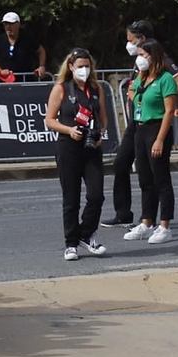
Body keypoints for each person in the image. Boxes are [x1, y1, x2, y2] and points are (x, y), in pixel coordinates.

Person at [44, 48, 108, 261]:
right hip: (68, 147)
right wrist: (69, 130)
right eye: (79, 66)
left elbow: (103, 118)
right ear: (70, 67)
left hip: (91, 148)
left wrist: (101, 134)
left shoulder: (96, 88)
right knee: (71, 199)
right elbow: (50, 120)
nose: (84, 70)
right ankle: (71, 243)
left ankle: (86, 233)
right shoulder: (61, 88)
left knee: (96, 195)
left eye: (87, 66)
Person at [124, 39, 178, 245]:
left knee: (161, 179)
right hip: (140, 128)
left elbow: (169, 111)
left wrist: (160, 139)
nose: (139, 59)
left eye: (143, 55)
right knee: (145, 179)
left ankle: (165, 226)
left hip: (157, 128)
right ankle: (147, 222)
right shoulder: (142, 78)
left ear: (153, 56)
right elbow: (133, 93)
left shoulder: (166, 79)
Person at [0, 11, 47, 79]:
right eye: (5, 24)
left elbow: (41, 51)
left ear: (18, 24)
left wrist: (41, 66)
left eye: (11, 23)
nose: (8, 26)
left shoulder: (27, 38)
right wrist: (0, 71)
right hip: (4, 82)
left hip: (25, 80)